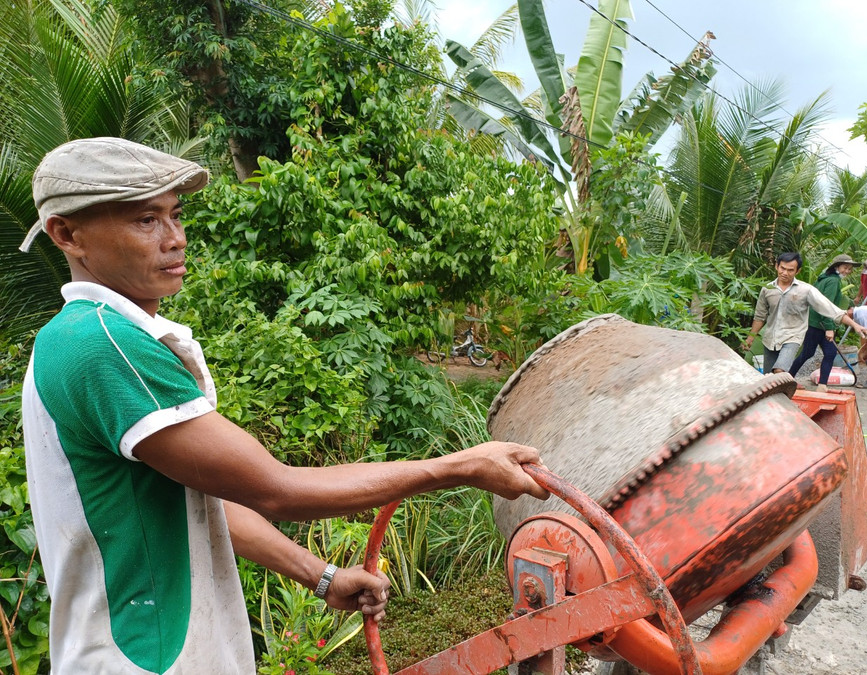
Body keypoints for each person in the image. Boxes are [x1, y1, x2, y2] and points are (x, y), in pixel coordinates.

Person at [18, 137, 549, 673]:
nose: (176, 239)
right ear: (67, 233)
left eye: (176, 216)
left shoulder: (78, 338)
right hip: (144, 661)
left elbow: (206, 499)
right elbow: (278, 489)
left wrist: (321, 576)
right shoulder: (101, 345)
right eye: (145, 221)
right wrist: (461, 466)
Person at [742, 252, 867, 374]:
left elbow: (830, 309)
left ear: (798, 271)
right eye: (782, 268)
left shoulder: (806, 290)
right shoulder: (767, 289)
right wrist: (750, 338)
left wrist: (855, 325)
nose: (785, 273)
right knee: (769, 378)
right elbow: (760, 316)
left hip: (792, 337)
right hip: (770, 338)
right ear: (777, 266)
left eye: (790, 270)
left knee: (779, 371)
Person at [787, 254, 860, 391]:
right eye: (845, 267)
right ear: (836, 266)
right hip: (821, 324)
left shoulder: (823, 279)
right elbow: (827, 306)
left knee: (809, 353)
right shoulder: (833, 281)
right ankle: (820, 385)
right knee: (828, 353)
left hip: (813, 322)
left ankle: (791, 379)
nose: (847, 271)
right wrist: (829, 328)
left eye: (849, 269)